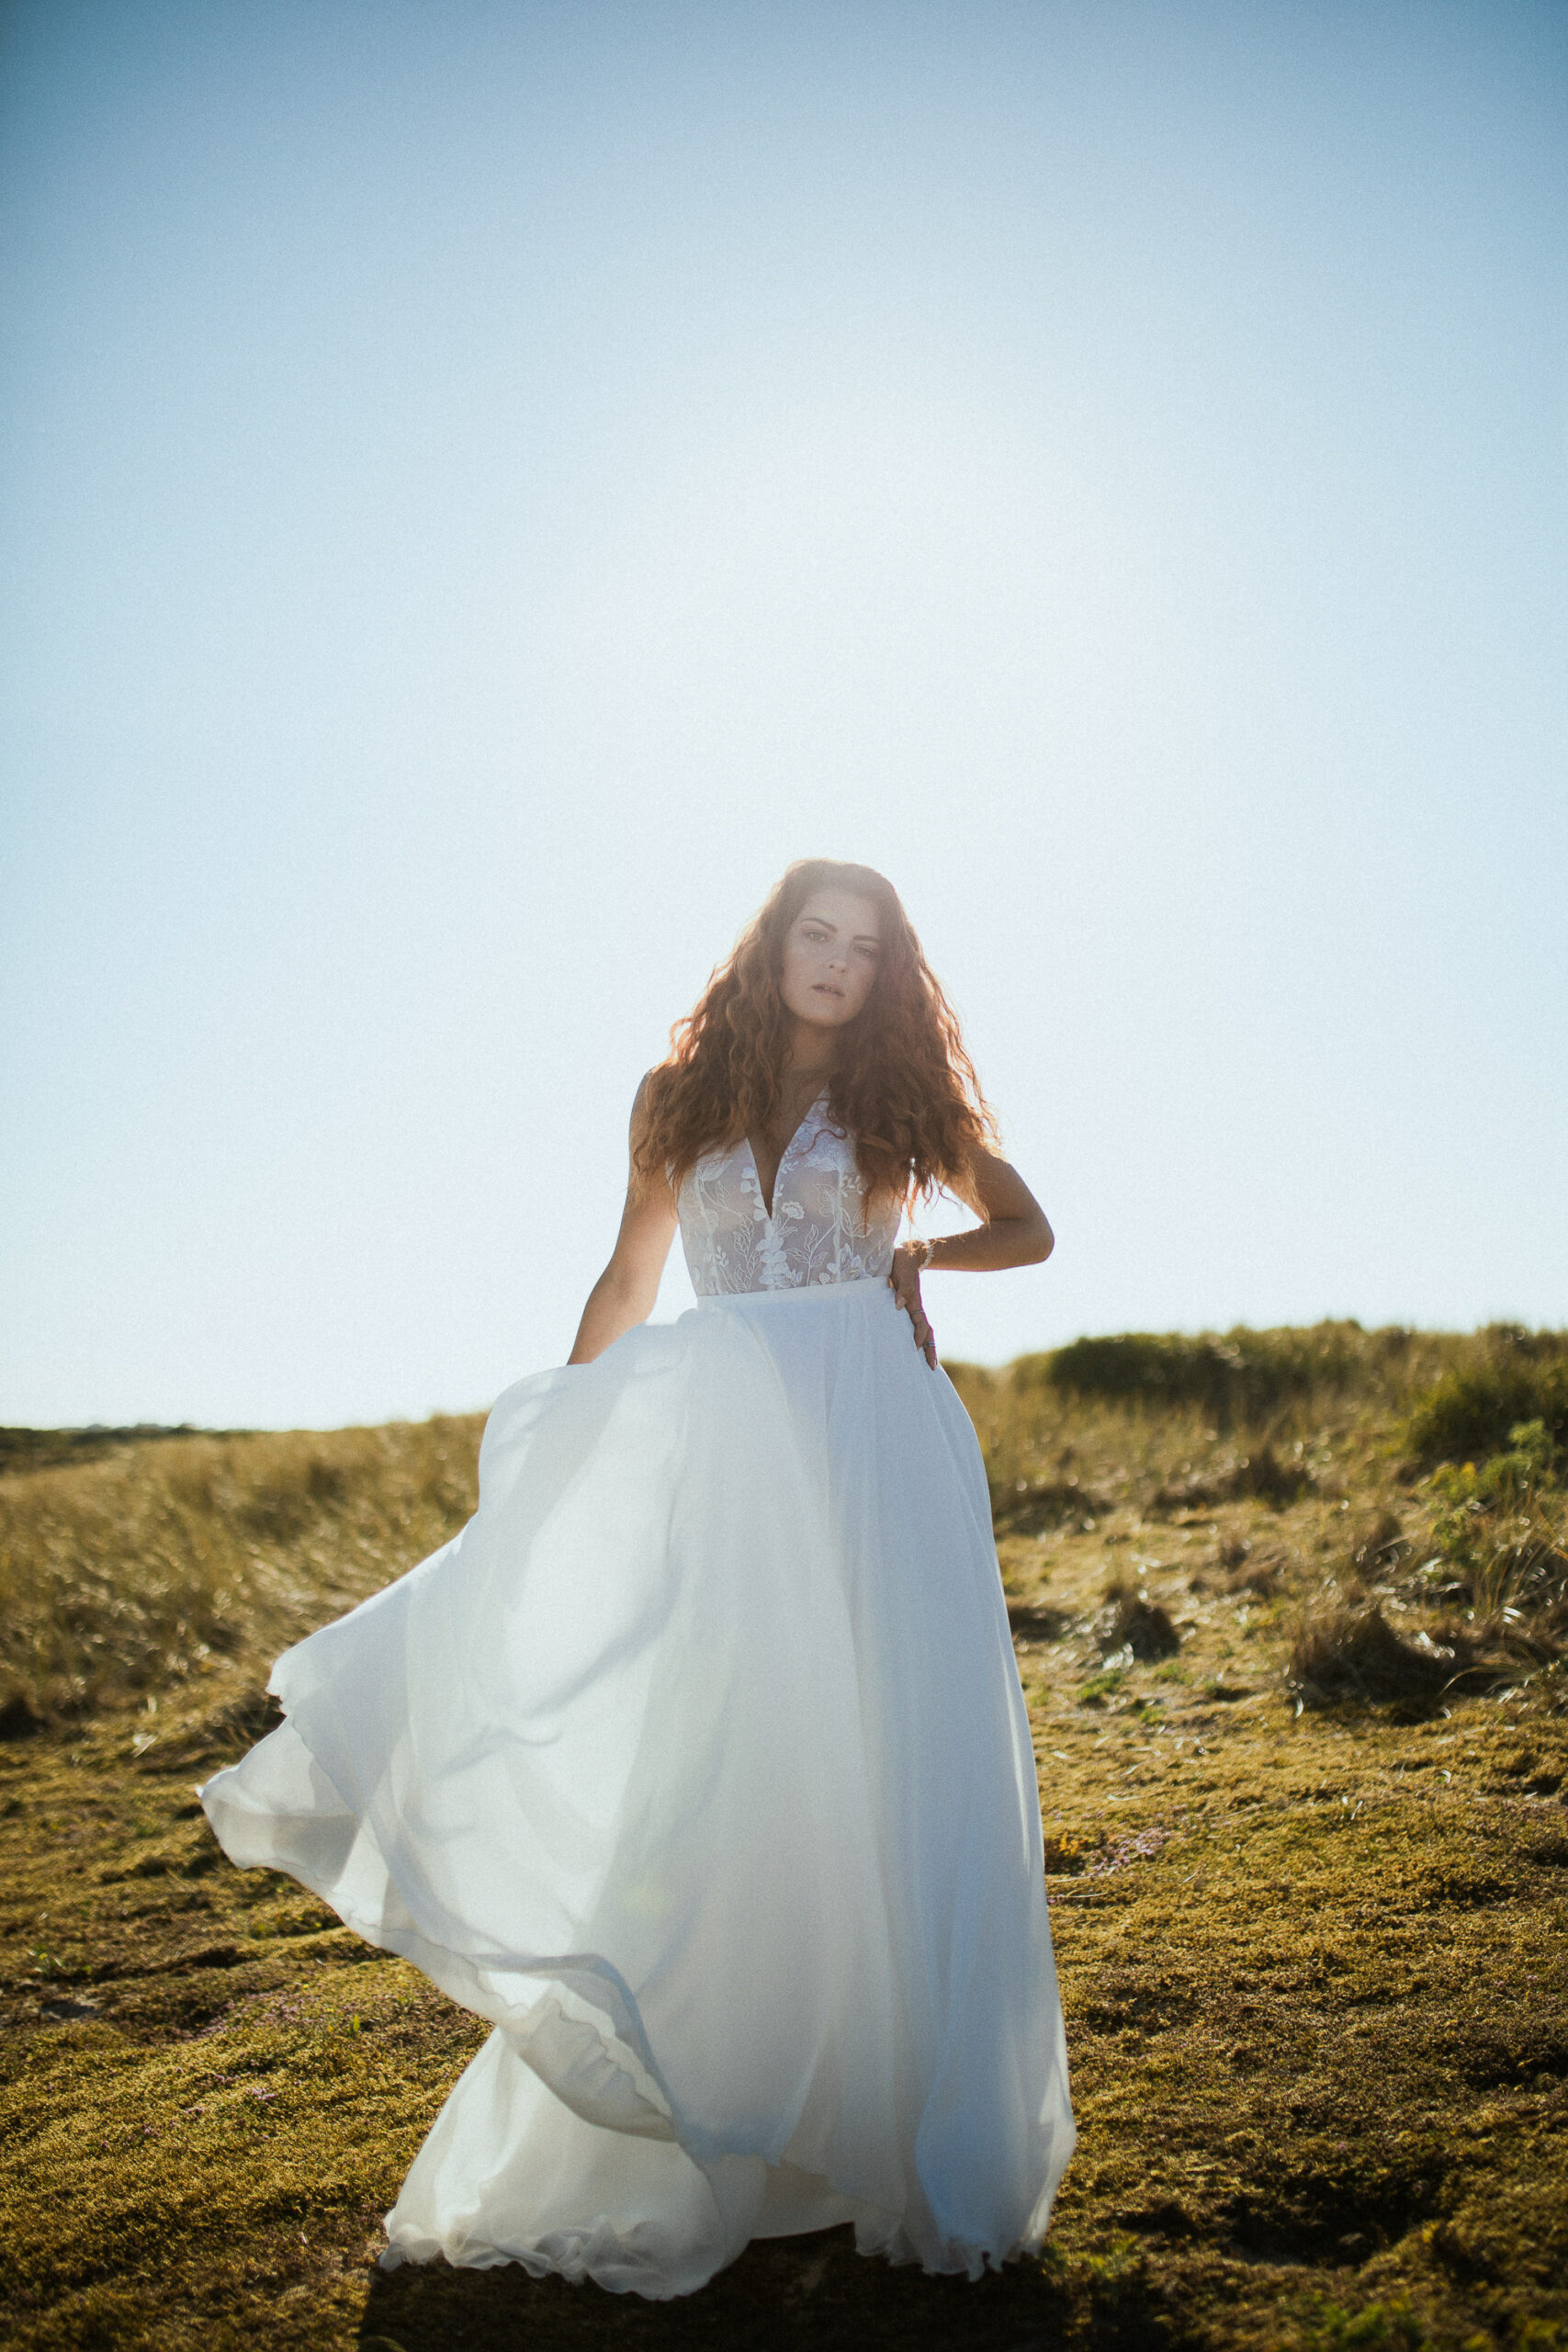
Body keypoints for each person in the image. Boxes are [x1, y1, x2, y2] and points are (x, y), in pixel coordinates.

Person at [201, 858, 1076, 2299]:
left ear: (888, 969)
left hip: (876, 1439)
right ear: (774, 941)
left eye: (866, 948)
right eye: (819, 934)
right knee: (725, 1759)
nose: (839, 965)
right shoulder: (674, 1100)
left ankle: (898, 2123)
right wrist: (564, 1437)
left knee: (888, 1754)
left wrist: (922, 1256)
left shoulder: (909, 1097)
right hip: (727, 1446)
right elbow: (629, 1278)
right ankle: (738, 2112)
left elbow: (1032, 1228)